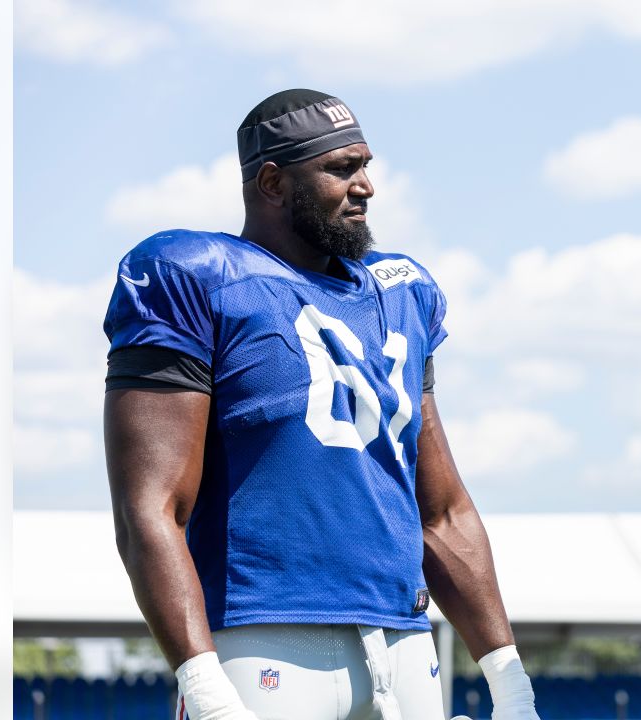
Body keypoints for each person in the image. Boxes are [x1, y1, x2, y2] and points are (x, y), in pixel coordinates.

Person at [102, 89, 540, 720]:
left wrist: (509, 681)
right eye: (340, 169)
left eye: (366, 166)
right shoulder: (195, 275)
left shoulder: (402, 293)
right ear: (273, 182)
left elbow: (441, 511)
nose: (364, 186)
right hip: (264, 639)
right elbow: (150, 508)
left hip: (405, 642)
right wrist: (205, 688)